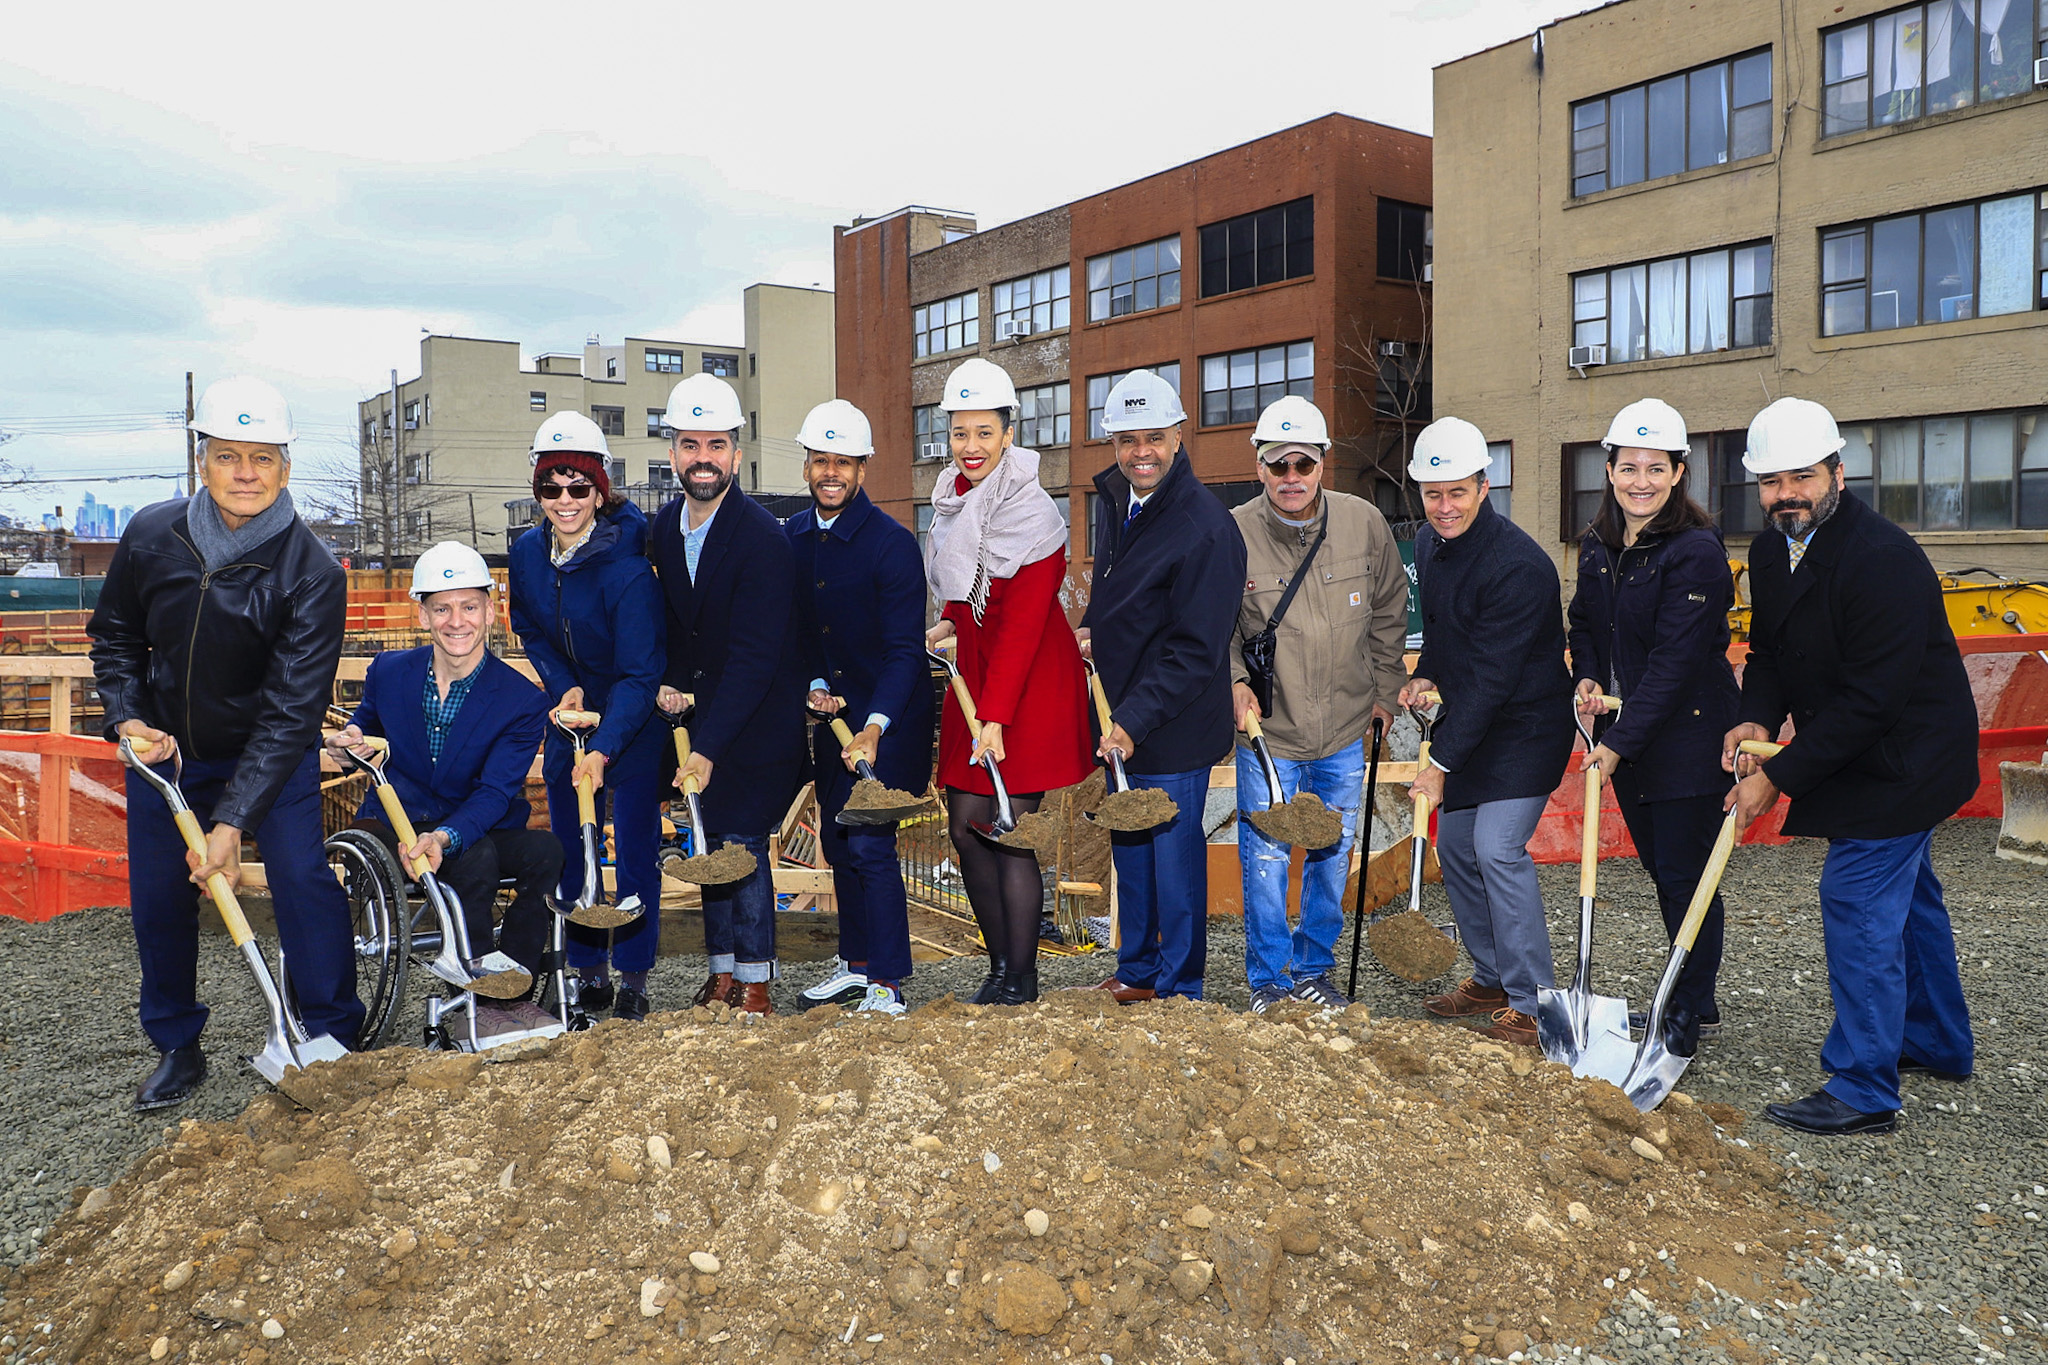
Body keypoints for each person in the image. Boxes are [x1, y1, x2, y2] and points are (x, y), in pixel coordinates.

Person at [88, 375, 361, 1109]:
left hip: (269, 753)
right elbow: (113, 639)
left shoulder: (311, 571)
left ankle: (333, 1033)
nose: (246, 473)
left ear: (285, 468)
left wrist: (232, 823)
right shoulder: (152, 535)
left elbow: (291, 710)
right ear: (201, 461)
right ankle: (177, 1044)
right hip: (166, 758)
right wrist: (127, 717)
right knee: (159, 901)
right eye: (229, 455)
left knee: (303, 879)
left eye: (264, 457)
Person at [1724, 397, 1977, 1137]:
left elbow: (1871, 701)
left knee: (1858, 896)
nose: (1784, 495)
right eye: (1770, 481)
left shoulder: (1884, 558)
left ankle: (1865, 1083)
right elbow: (1768, 650)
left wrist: (1777, 776)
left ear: (1837, 471)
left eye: (1800, 476)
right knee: (1910, 899)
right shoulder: (1770, 551)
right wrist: (1757, 718)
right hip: (1859, 743)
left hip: (1908, 757)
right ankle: (1936, 1040)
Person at [1566, 399, 1740, 1056]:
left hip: (1690, 738)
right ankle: (1693, 989)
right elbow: (1585, 622)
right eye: (1628, 466)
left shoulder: (1695, 552)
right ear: (1609, 469)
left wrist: (1613, 745)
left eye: (1655, 468)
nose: (1641, 480)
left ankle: (1686, 1009)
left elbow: (1674, 662)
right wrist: (1586, 674)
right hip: (1635, 734)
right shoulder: (1598, 543)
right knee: (1666, 871)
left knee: (1684, 875)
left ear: (1678, 472)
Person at [1398, 416, 1574, 1047]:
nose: (1444, 507)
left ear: (1484, 485)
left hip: (1526, 727)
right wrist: (1428, 673)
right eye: (1432, 493)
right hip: (1474, 719)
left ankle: (1534, 1002)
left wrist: (1438, 767)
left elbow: (1497, 678)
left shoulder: (1520, 567)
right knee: (1455, 850)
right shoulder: (1427, 543)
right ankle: (1492, 977)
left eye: (1457, 492)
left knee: (1498, 848)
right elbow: (1448, 628)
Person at [1229, 395, 1408, 1013]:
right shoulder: (1233, 533)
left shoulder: (1364, 524)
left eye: (1302, 465)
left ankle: (1314, 969)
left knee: (1332, 860)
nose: (1291, 479)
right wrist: (1232, 682)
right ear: (1259, 466)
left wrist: (1386, 695)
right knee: (1266, 861)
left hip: (1343, 730)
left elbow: (1389, 615)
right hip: (1268, 735)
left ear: (1323, 463)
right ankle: (1270, 981)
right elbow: (1213, 626)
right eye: (1278, 466)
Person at [1076, 369, 1248, 1003]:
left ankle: (1180, 986)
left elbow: (1195, 649)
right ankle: (1138, 969)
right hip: (1124, 714)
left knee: (1172, 860)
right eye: (1126, 439)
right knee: (1133, 850)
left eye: (1153, 436)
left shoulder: (1205, 527)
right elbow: (1118, 589)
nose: (1139, 451)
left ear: (1180, 436)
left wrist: (1132, 720)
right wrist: (1093, 628)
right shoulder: (1123, 502)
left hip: (1169, 723)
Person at [924, 358, 1091, 1006]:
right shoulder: (957, 499)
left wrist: (992, 717)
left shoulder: (1034, 512)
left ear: (1008, 433)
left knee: (1006, 827)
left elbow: (1021, 626)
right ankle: (998, 965)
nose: (971, 447)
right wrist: (947, 622)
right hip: (982, 680)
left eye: (984, 433)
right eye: (960, 433)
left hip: (1028, 690)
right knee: (965, 824)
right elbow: (971, 586)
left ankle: (1020, 978)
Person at [327, 542, 560, 988]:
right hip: (394, 821)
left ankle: (513, 979)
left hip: (471, 823)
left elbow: (495, 792)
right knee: (478, 858)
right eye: (442, 609)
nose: (457, 622)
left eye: (469, 607)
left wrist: (444, 835)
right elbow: (361, 732)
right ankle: (477, 977)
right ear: (423, 616)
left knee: (545, 853)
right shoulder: (388, 672)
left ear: (491, 613)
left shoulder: (522, 701)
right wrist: (345, 746)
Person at [651, 374, 807, 1016]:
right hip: (700, 719)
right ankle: (720, 975)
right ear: (673, 455)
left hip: (753, 725)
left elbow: (754, 655)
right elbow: (678, 623)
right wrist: (672, 679)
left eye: (716, 444)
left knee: (741, 846)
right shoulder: (665, 528)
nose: (703, 458)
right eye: (690, 445)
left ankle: (757, 983)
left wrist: (710, 743)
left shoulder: (762, 539)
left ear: (736, 456)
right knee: (708, 845)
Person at [508, 411, 665, 1021]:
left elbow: (640, 672)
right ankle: (588, 970)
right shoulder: (526, 554)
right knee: (573, 842)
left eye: (579, 488)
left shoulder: (628, 567)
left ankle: (634, 976)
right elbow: (530, 629)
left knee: (632, 847)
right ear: (538, 491)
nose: (565, 500)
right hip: (569, 720)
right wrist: (565, 685)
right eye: (551, 487)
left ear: (601, 490)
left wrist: (604, 749)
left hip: (630, 720)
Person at [785, 401, 933, 1017]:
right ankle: (855, 966)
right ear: (807, 465)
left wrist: (873, 727)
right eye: (821, 460)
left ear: (862, 469)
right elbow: (798, 630)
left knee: (871, 846)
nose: (830, 472)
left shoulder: (892, 547)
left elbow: (905, 653)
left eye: (843, 462)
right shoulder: (791, 536)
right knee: (841, 845)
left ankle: (888, 984)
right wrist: (816, 683)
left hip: (888, 720)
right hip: (831, 719)